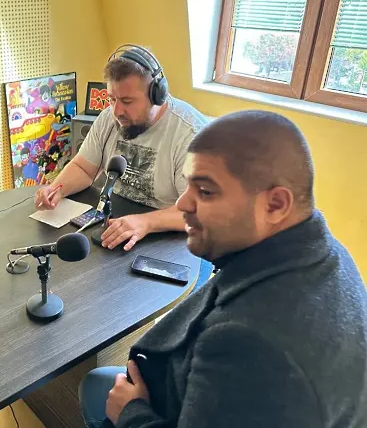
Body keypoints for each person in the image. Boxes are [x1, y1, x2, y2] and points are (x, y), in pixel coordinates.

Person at [79, 110, 367, 428]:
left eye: (205, 191)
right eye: (188, 185)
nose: (183, 204)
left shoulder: (252, 347)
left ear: (275, 205)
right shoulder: (323, 250)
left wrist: (131, 413)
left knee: (95, 386)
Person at [34, 44, 208, 251]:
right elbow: (84, 168)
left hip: (170, 236)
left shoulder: (191, 135)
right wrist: (56, 189)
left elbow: (200, 212)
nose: (117, 111)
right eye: (112, 99)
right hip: (118, 222)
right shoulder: (109, 117)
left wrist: (146, 222)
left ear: (157, 95)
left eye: (127, 101)